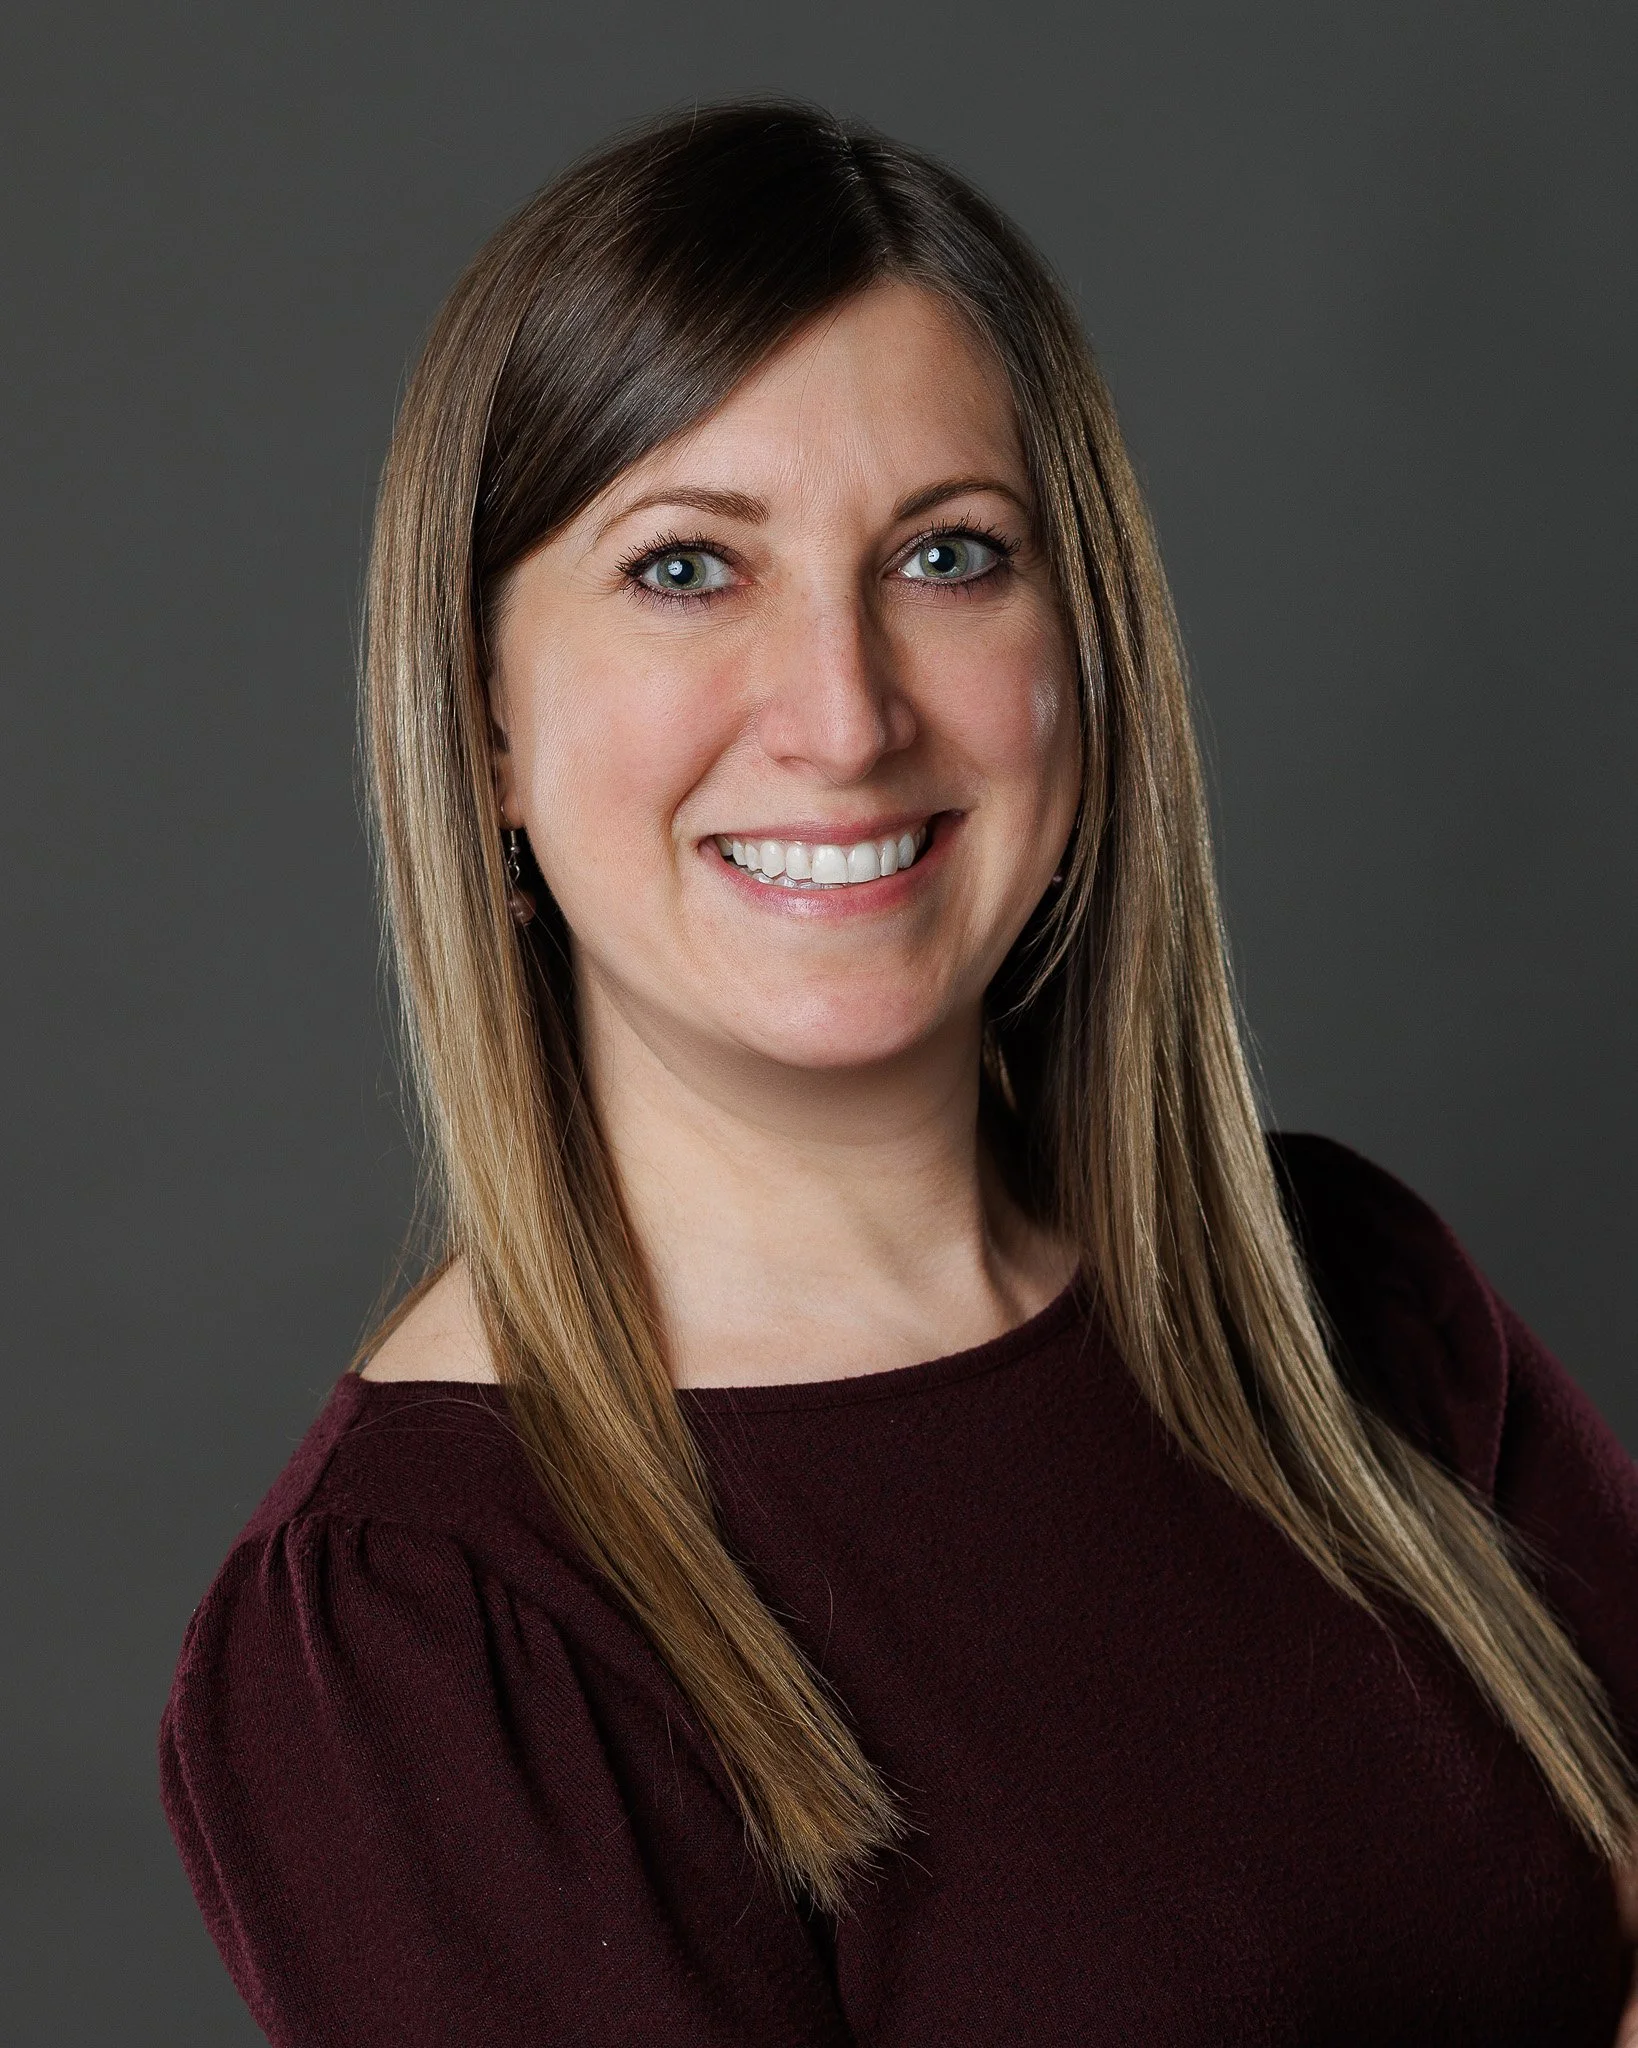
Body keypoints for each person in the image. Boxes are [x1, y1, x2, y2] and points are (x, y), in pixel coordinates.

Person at [159, 101, 1638, 2044]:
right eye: (687, 568)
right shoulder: (421, 1629)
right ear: (485, 718)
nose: (845, 716)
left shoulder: (1352, 1295)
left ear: (1086, 655)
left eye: (949, 554)